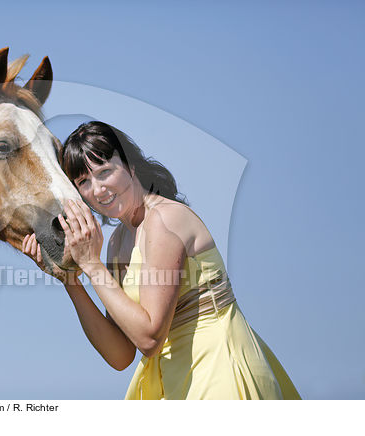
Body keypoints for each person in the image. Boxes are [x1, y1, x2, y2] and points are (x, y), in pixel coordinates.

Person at [22, 121, 300, 399]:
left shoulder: (164, 219)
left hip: (217, 369)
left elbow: (150, 338)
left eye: (105, 172)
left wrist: (92, 265)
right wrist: (70, 278)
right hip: (172, 379)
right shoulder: (118, 242)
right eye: (84, 182)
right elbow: (120, 355)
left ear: (130, 166)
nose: (97, 189)